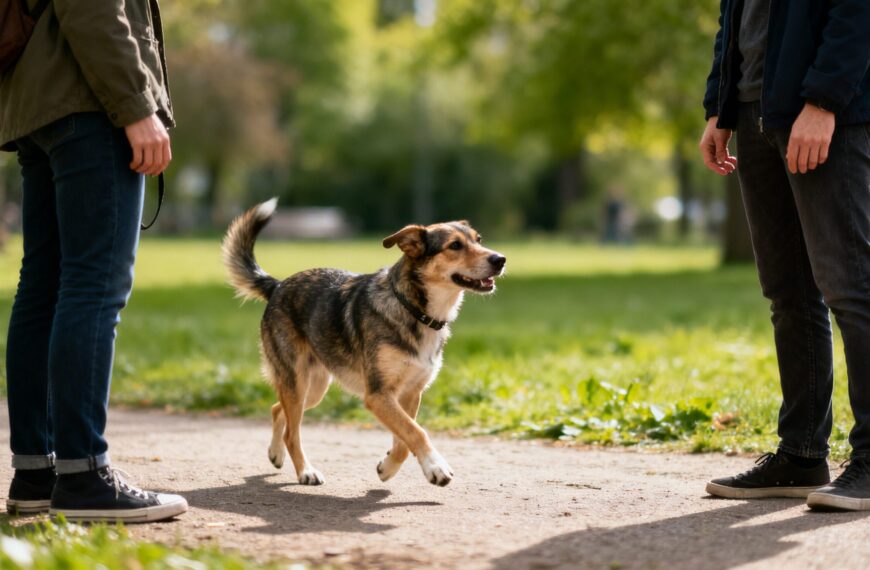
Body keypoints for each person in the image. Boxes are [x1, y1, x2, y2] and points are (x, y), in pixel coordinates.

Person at [1, 0, 187, 522]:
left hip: (38, 105)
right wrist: (137, 107)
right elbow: (93, 8)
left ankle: (37, 472)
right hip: (87, 102)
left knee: (42, 286)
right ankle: (84, 476)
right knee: (94, 284)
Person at [699, 0, 870, 511]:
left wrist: (824, 101)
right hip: (755, 110)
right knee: (789, 293)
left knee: (853, 286)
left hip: (821, 111)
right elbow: (732, 21)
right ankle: (800, 455)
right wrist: (719, 108)